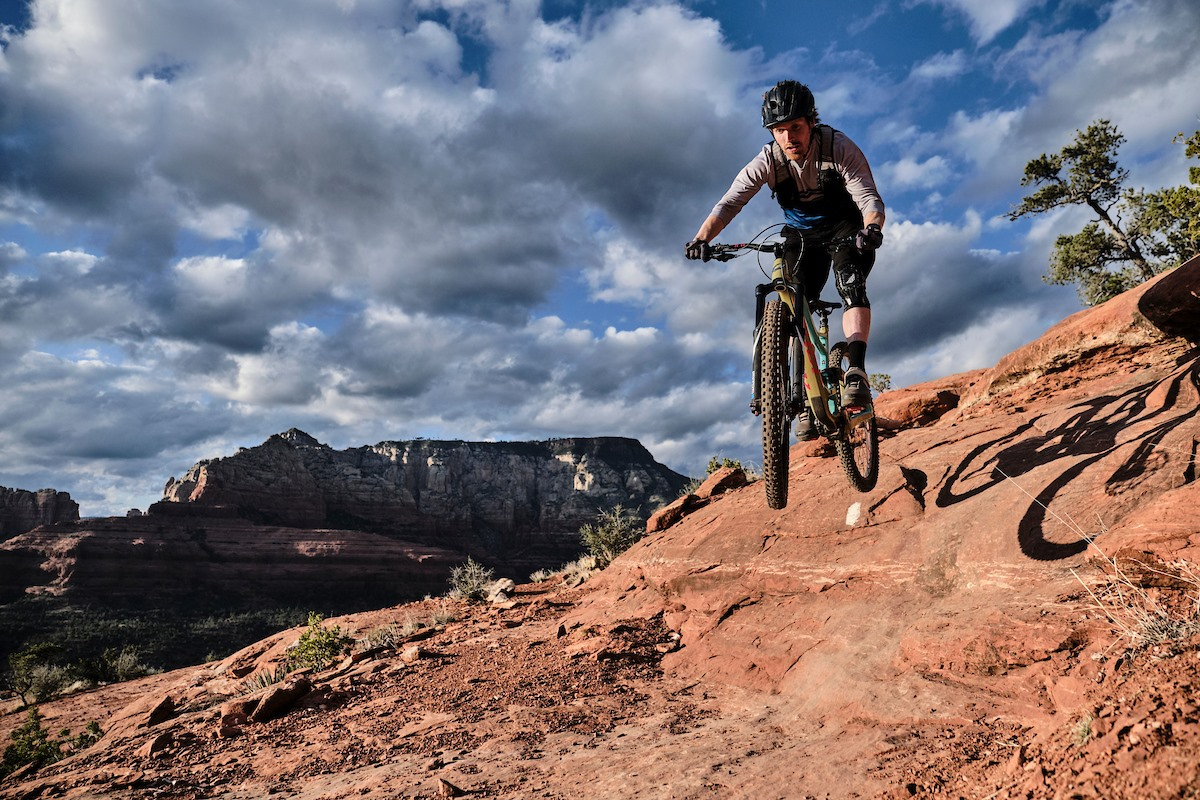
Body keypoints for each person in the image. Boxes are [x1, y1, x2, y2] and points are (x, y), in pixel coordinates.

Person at [685, 80, 885, 441]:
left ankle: (855, 371)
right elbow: (730, 202)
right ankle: (806, 399)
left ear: (811, 122)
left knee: (850, 282)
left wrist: (872, 228)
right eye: (779, 130)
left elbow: (868, 197)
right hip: (801, 236)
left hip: (846, 228)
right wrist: (702, 238)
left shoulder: (837, 147)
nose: (788, 136)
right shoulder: (769, 160)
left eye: (795, 126)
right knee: (793, 300)